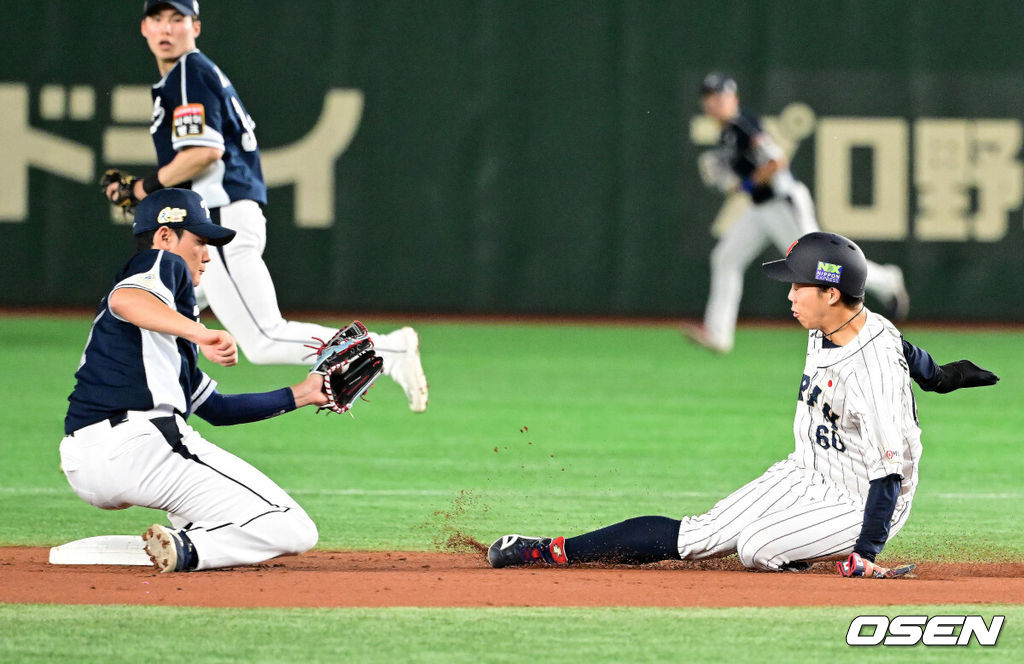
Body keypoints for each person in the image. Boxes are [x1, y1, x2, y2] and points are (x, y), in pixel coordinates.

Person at [487, 232, 998, 575]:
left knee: (756, 546)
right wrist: (946, 377)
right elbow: (910, 352)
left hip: (863, 497)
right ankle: (550, 550)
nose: (790, 294)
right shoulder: (837, 325)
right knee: (701, 534)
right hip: (807, 470)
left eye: (801, 284)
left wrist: (866, 553)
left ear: (834, 293)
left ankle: (802, 554)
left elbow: (888, 475)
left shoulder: (872, 372)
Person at [103, 0, 428, 411]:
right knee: (154, 317)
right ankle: (124, 411)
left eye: (177, 19)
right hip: (226, 214)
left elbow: (204, 151)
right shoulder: (194, 76)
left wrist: (142, 190)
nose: (167, 28)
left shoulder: (187, 74)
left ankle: (385, 351)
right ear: (144, 28)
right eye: (158, 18)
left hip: (216, 223)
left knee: (263, 337)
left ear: (195, 27)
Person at [61, 188, 330, 573]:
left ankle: (177, 541)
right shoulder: (159, 262)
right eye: (199, 240)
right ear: (166, 235)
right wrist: (200, 334)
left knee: (224, 521)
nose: (206, 255)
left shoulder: (162, 339)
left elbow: (218, 410)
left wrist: (303, 394)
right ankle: (187, 549)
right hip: (140, 447)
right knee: (293, 529)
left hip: (86, 462)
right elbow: (127, 301)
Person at [687, 72, 910, 354]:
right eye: (710, 98)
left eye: (721, 97)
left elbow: (776, 161)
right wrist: (735, 182)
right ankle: (719, 334)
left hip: (783, 204)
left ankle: (887, 280)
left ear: (734, 99)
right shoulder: (727, 133)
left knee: (822, 268)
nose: (715, 103)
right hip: (760, 208)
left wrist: (743, 183)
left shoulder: (743, 124)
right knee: (726, 258)